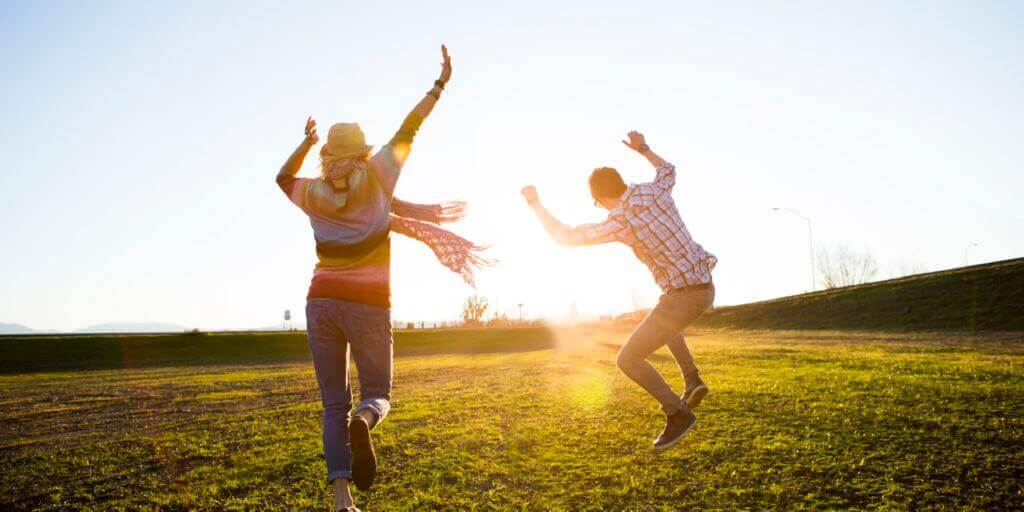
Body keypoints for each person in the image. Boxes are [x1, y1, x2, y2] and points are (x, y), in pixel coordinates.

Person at [276, 45, 488, 512]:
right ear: (363, 151)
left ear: (329, 153)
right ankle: (366, 421)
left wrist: (307, 143)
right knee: (377, 394)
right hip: (370, 304)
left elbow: (281, 177)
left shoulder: (311, 192)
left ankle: (342, 499)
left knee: (333, 403)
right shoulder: (379, 175)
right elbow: (412, 126)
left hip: (321, 302)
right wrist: (439, 85)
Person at [520, 131, 717, 451]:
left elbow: (566, 237)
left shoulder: (620, 219)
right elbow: (668, 169)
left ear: (601, 199)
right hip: (704, 286)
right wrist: (643, 149)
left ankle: (677, 413)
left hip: (683, 296)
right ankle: (692, 378)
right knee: (663, 323)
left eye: (598, 204)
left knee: (627, 359)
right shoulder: (654, 191)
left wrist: (535, 204)